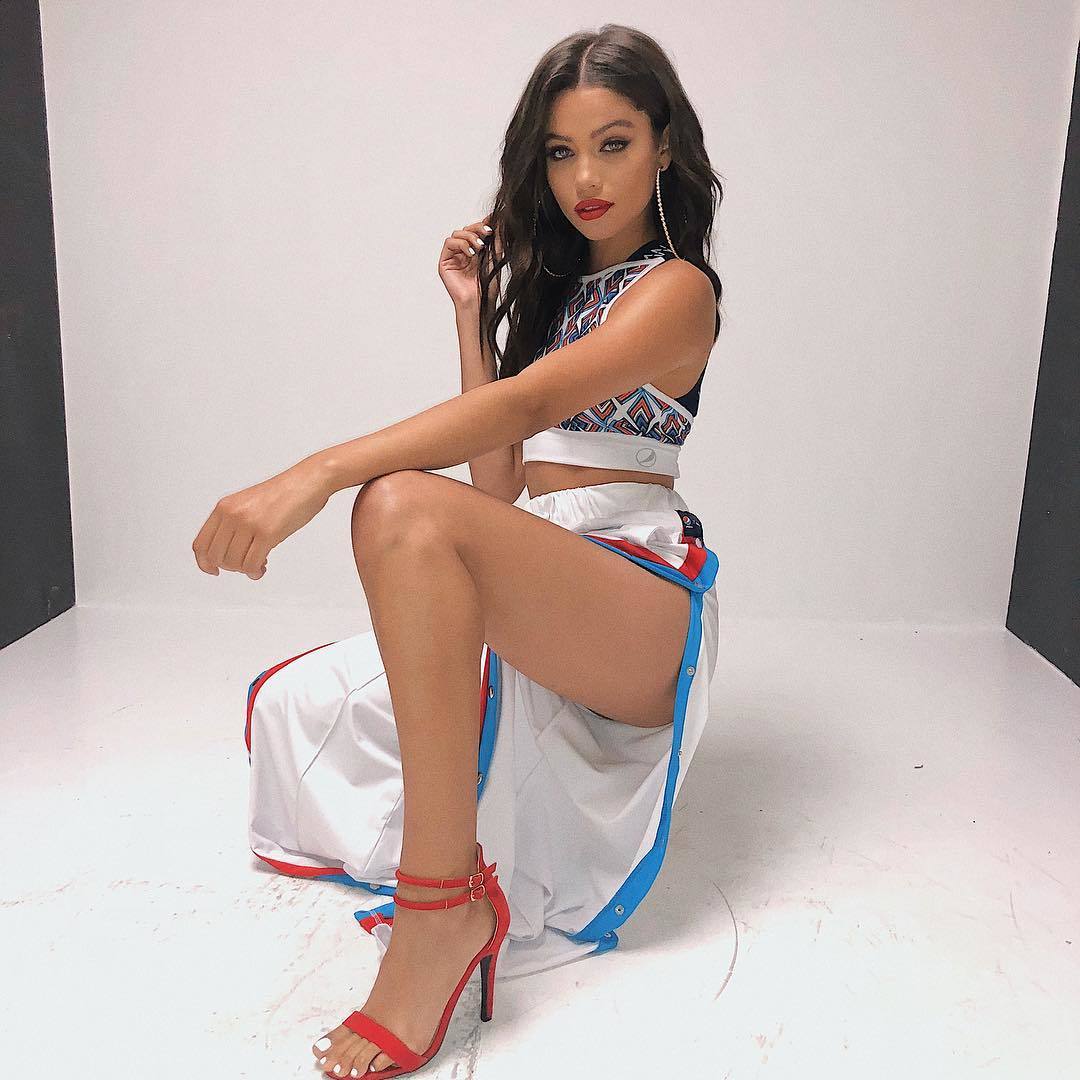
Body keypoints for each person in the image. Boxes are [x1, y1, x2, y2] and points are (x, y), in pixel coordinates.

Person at [192, 23, 725, 1080]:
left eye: (614, 144)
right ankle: (445, 892)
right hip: (550, 566)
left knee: (393, 505)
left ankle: (441, 910)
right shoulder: (564, 300)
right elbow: (498, 483)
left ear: (664, 147)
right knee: (304, 703)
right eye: (561, 152)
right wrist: (474, 317)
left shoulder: (677, 290)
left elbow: (524, 409)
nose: (585, 178)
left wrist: (313, 473)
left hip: (636, 595)